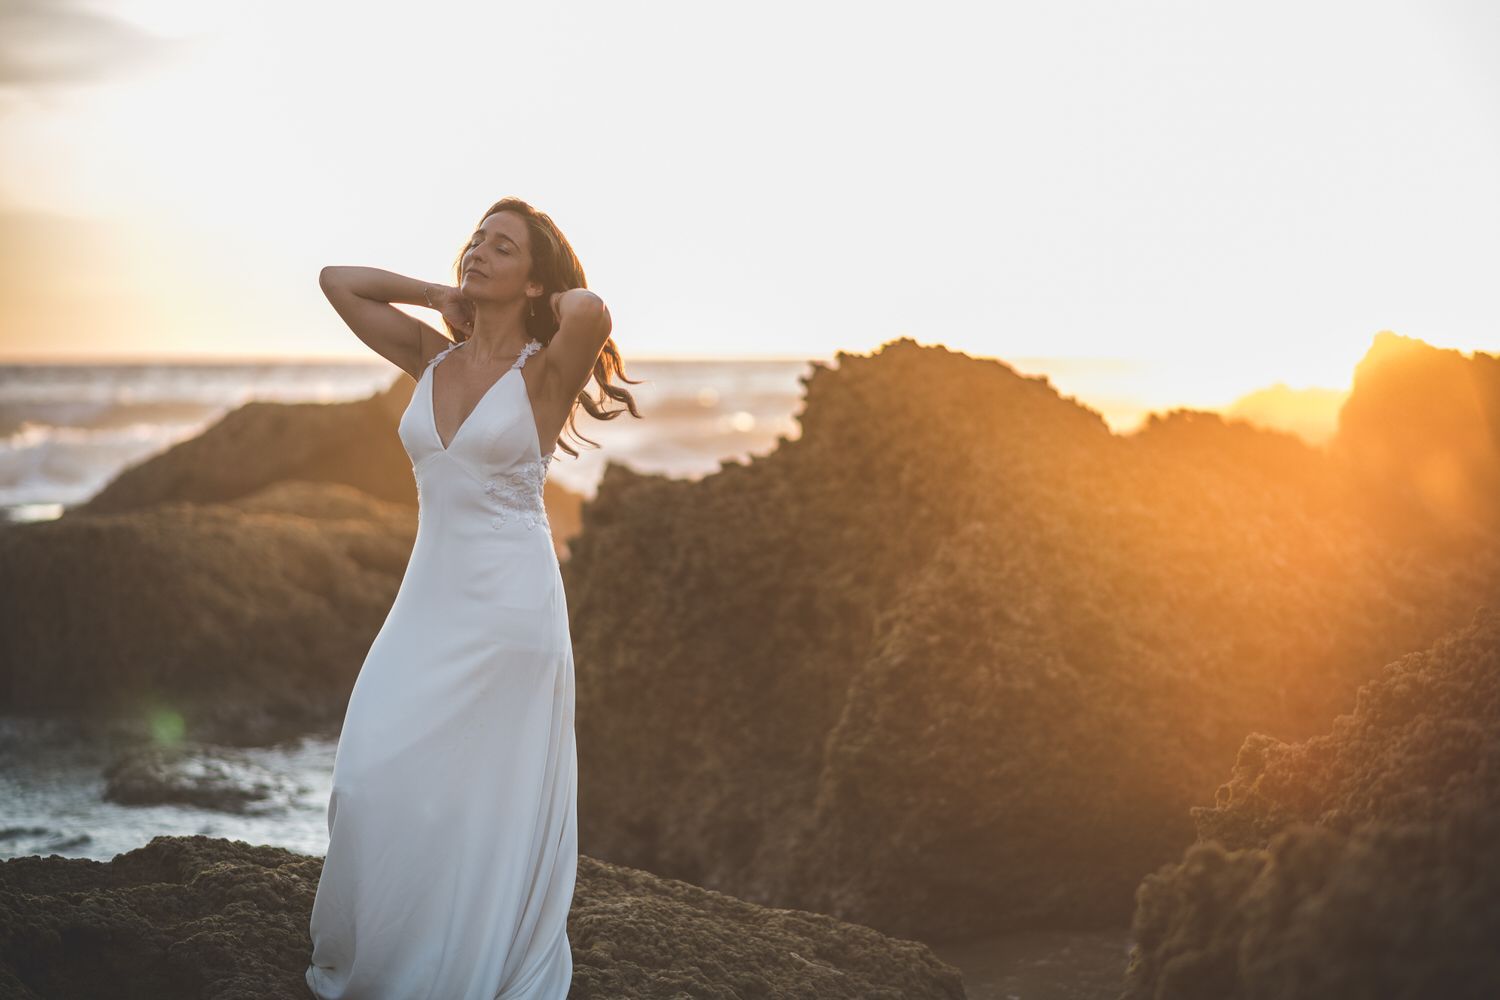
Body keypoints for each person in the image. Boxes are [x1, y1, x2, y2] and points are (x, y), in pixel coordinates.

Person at [306, 198, 638, 998]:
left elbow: (591, 308)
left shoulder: (546, 372)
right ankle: (399, 955)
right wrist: (436, 293)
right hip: (428, 600)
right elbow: (336, 282)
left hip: (512, 613)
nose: (478, 253)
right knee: (369, 774)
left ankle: (463, 964)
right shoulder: (431, 358)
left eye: (503, 247)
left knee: (482, 802)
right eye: (476, 241)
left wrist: (544, 301)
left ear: (534, 278)